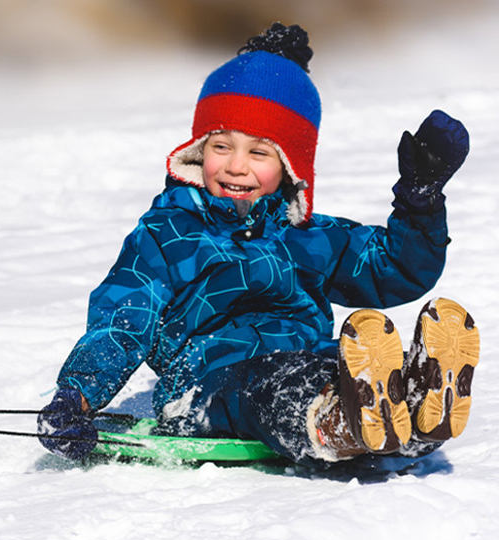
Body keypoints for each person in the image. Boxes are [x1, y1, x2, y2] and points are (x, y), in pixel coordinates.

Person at [37, 23, 479, 466]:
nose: (235, 166)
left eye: (259, 153)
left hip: (308, 362)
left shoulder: (305, 233)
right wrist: (77, 395)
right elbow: (123, 320)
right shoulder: (168, 235)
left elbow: (392, 268)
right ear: (198, 150)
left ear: (290, 166)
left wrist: (419, 203)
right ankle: (339, 421)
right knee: (276, 384)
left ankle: (415, 403)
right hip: (206, 386)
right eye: (221, 146)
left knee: (338, 368)